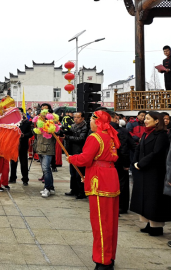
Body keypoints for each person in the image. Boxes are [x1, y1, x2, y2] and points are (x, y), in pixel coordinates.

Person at [67, 110, 120, 270]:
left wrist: (71, 158)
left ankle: (103, 260)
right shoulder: (110, 136)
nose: (90, 121)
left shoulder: (95, 137)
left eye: (91, 118)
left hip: (99, 181)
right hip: (110, 176)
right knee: (110, 221)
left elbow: (85, 158)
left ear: (96, 121)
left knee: (100, 222)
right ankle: (109, 256)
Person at [130, 111, 171, 236]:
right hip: (144, 171)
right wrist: (135, 162)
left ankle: (157, 227)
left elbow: (156, 153)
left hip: (155, 172)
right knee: (145, 199)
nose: (145, 120)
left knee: (154, 200)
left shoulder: (162, 135)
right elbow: (138, 148)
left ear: (157, 120)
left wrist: (141, 163)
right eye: (145, 118)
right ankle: (148, 223)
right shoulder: (146, 133)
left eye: (148, 118)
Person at [63, 111, 88, 199]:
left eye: (78, 117)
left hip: (79, 152)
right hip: (72, 152)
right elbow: (69, 133)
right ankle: (73, 190)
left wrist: (67, 137)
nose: (75, 119)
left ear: (82, 118)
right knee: (72, 173)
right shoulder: (73, 126)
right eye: (74, 117)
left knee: (79, 173)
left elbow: (81, 139)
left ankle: (81, 192)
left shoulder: (85, 127)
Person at [35, 103, 56, 198]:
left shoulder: (53, 120)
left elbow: (56, 131)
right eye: (42, 109)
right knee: (46, 170)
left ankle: (47, 188)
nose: (43, 111)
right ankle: (51, 187)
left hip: (48, 147)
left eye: (45, 109)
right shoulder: (38, 119)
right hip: (40, 146)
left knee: (46, 169)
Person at [10, 108, 32, 185]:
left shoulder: (27, 123)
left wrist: (24, 135)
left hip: (23, 145)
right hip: (13, 145)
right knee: (13, 163)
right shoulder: (12, 123)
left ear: (22, 114)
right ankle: (12, 178)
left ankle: (25, 179)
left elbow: (31, 133)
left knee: (24, 163)